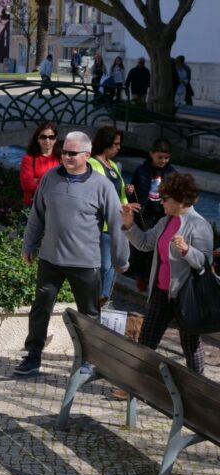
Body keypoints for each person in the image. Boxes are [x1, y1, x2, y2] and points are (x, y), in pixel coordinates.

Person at [15, 131, 129, 376]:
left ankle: (90, 360)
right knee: (40, 307)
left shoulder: (102, 186)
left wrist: (121, 259)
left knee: (88, 315)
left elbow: (116, 225)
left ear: (86, 155)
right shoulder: (50, 178)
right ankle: (33, 355)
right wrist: (28, 245)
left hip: (85, 263)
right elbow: (37, 214)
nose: (65, 156)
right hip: (50, 258)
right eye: (64, 152)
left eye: (72, 153)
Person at [121, 173, 212, 374]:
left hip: (186, 297)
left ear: (180, 200)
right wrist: (128, 224)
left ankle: (197, 390)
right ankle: (136, 384)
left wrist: (187, 250)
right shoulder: (166, 221)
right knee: (146, 340)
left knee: (190, 346)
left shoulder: (199, 225)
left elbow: (205, 264)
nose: (160, 202)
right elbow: (144, 243)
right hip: (161, 292)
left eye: (165, 199)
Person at [125, 138, 177, 292]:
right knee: (141, 245)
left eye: (166, 158)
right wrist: (129, 193)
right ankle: (140, 275)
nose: (163, 161)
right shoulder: (142, 170)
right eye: (160, 157)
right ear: (151, 154)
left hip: (163, 214)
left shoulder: (171, 172)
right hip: (144, 213)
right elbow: (133, 192)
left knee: (158, 246)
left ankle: (153, 275)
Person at [89, 126, 127, 306]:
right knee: (104, 264)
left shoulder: (113, 166)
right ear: (106, 144)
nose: (118, 148)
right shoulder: (93, 163)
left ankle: (104, 297)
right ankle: (100, 297)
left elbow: (120, 193)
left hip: (117, 222)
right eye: (115, 144)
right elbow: (96, 193)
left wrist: (127, 207)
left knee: (113, 263)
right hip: (101, 223)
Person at [19, 121, 61, 207]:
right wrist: (53, 189)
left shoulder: (61, 158)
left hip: (55, 204)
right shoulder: (29, 158)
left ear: (55, 139)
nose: (47, 140)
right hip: (34, 204)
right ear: (37, 139)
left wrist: (38, 180)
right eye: (43, 137)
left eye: (51, 137)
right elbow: (27, 185)